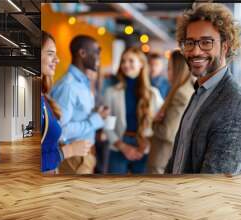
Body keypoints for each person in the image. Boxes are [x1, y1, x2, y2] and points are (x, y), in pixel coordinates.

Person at [165, 3, 241, 175]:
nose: (195, 51)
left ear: (225, 47)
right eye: (190, 43)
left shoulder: (237, 105)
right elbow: (178, 156)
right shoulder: (200, 91)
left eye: (206, 42)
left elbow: (215, 183)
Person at [50, 35, 110, 174]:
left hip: (85, 156)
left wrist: (97, 116)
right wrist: (95, 121)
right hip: (74, 158)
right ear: (82, 53)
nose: (99, 59)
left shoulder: (82, 83)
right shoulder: (68, 86)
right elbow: (60, 131)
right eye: (96, 53)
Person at [103, 47, 163, 174]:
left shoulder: (153, 94)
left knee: (141, 191)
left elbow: (161, 121)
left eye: (131, 61)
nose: (126, 65)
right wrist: (123, 147)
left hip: (144, 146)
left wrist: (146, 144)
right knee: (114, 190)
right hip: (119, 144)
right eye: (123, 61)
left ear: (141, 64)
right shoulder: (112, 92)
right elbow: (108, 126)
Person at [41, 31, 92, 174]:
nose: (57, 60)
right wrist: (69, 150)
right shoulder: (68, 86)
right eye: (50, 54)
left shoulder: (44, 96)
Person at [147, 50, 194, 174]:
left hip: (162, 160)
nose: (167, 73)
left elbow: (168, 132)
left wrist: (154, 122)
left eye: (169, 68)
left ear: (178, 70)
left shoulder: (181, 94)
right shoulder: (183, 90)